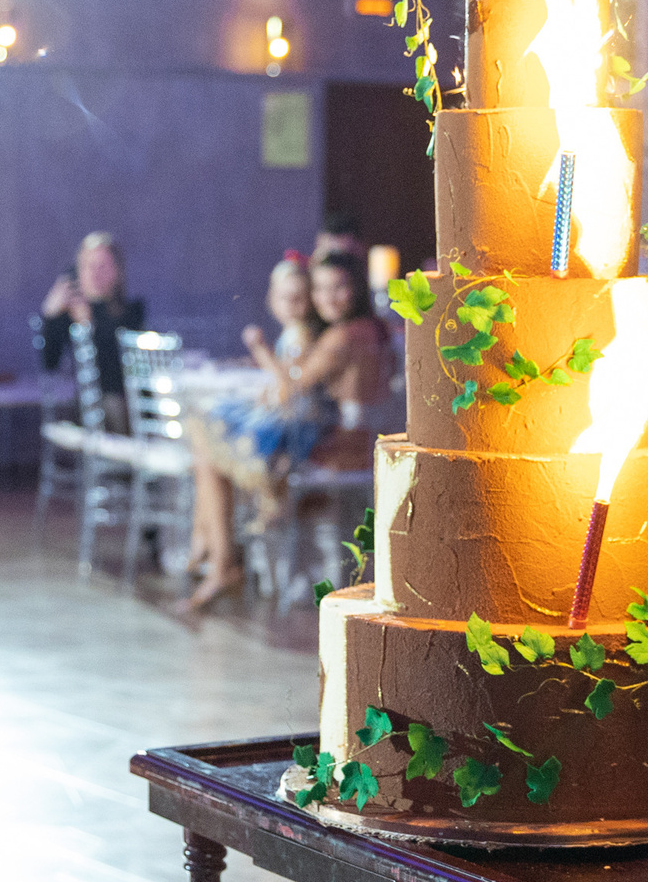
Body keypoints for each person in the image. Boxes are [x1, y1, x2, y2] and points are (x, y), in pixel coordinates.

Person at [184, 252, 395, 613]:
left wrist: (264, 351)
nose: (328, 298)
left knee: (208, 445)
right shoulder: (369, 329)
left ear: (356, 289)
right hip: (357, 442)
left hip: (341, 450)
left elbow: (295, 386)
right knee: (212, 455)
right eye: (321, 289)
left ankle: (218, 558)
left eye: (339, 288)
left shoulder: (343, 337)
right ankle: (216, 552)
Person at [39, 231, 147, 432]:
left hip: (131, 402)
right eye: (88, 266)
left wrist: (90, 327)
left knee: (117, 403)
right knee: (107, 406)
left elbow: (117, 374)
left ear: (117, 271)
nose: (94, 273)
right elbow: (49, 364)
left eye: (102, 266)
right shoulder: (68, 315)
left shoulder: (131, 313)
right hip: (87, 406)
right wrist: (50, 318)